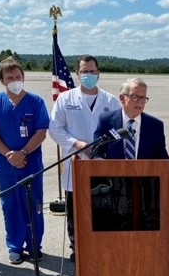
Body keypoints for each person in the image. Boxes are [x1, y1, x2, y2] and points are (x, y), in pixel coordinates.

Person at [49, 55, 120, 261]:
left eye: (92, 71)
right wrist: (76, 144)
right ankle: (76, 247)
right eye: (84, 71)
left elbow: (118, 130)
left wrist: (103, 147)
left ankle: (100, 244)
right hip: (76, 163)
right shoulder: (65, 98)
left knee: (102, 207)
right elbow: (55, 128)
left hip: (102, 164)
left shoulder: (111, 101)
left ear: (99, 73)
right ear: (77, 74)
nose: (88, 75)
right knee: (76, 210)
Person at [0, 56, 50, 264]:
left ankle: (34, 246)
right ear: (2, 80)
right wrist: (10, 156)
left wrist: (23, 152)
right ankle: (15, 247)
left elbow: (41, 132)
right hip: (6, 167)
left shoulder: (36, 102)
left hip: (31, 164)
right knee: (11, 207)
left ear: (24, 77)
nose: (14, 79)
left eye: (17, 76)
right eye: (9, 77)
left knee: (34, 205)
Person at [92, 78, 169, 160]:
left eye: (143, 98)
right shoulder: (106, 120)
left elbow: (163, 159)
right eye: (135, 96)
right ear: (122, 98)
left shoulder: (155, 126)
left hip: (145, 172)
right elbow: (96, 152)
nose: (139, 102)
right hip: (113, 172)